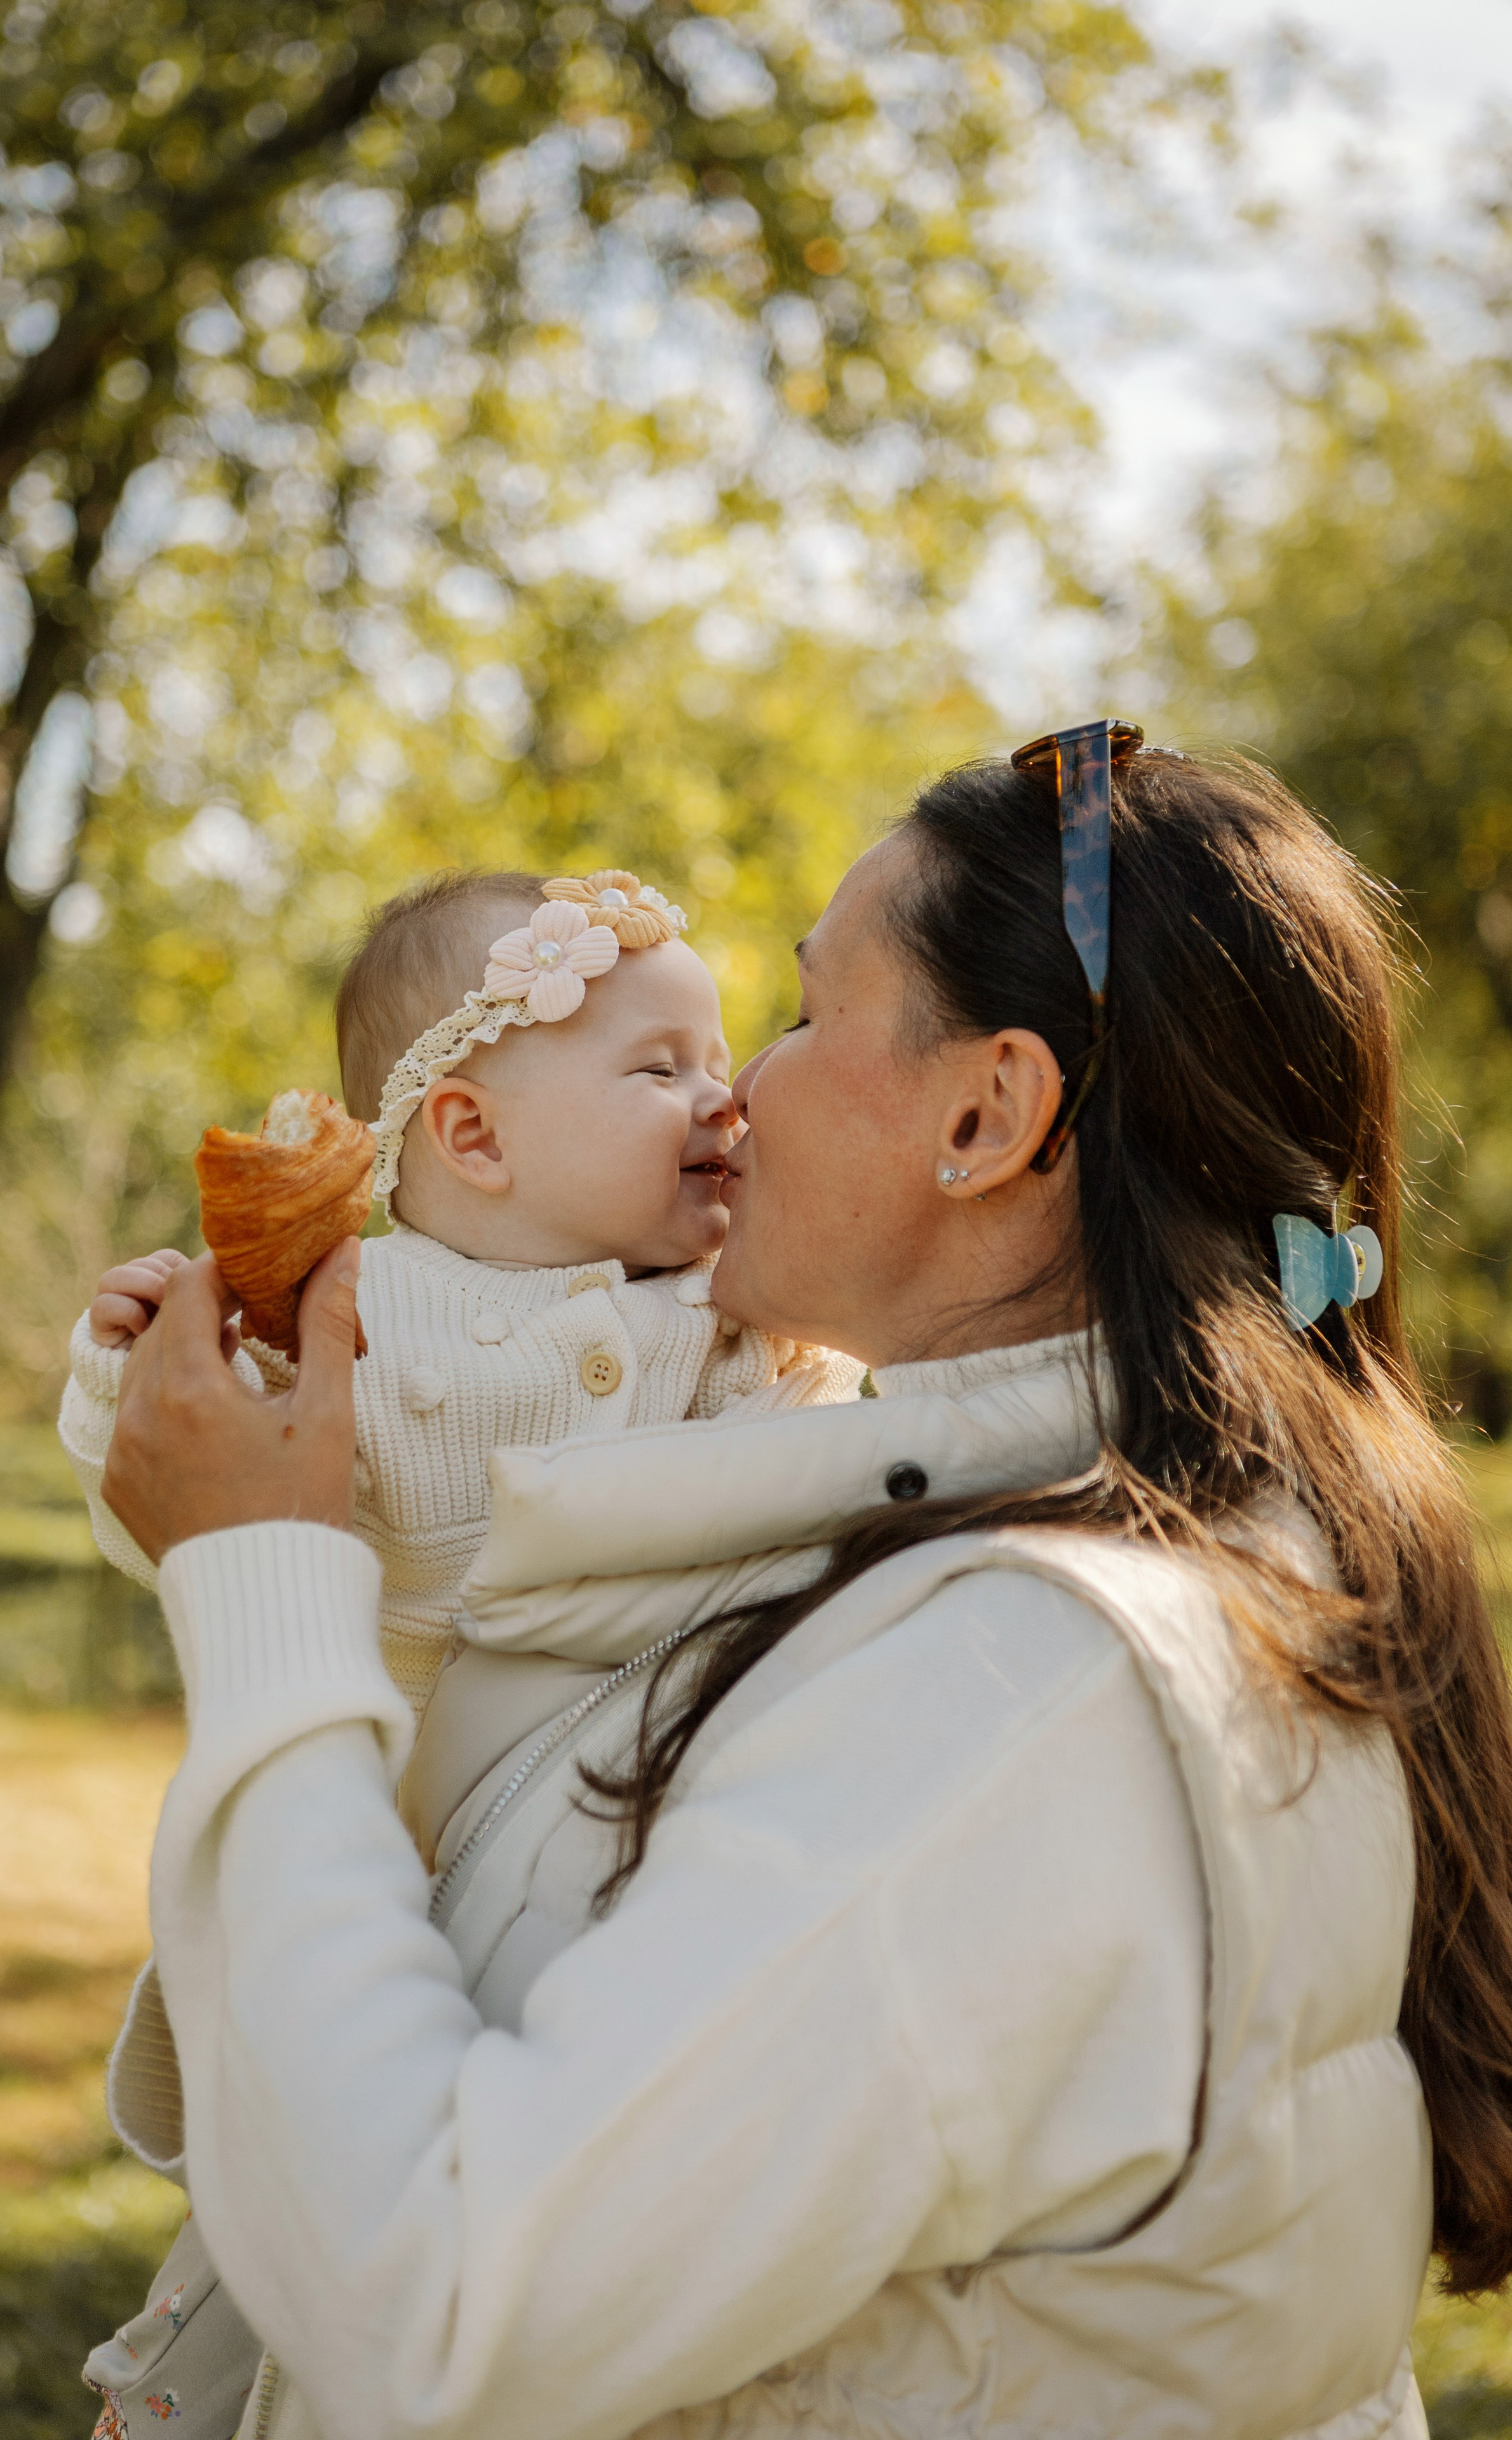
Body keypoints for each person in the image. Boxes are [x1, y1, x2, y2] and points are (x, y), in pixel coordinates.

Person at [97, 727, 1512, 2440]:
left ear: (984, 1115)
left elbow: (442, 2300)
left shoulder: (1021, 1695)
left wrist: (263, 1591)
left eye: (801, 1016)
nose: (735, 1096)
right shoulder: (1072, 1541)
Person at [60, 865, 861, 1721]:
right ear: (476, 1137)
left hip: (658, 1757)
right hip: (402, 1789)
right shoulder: (343, 1314)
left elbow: (809, 1472)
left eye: (717, 1064)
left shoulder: (731, 1309)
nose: (726, 1101)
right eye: (662, 1072)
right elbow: (188, 1497)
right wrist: (131, 1372)